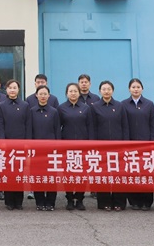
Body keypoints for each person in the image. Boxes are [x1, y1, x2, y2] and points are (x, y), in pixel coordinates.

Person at [91, 80, 129, 211]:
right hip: (101, 147)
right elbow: (92, 127)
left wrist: (125, 144)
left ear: (112, 91)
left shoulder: (120, 106)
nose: (106, 91)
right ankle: (104, 202)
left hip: (118, 146)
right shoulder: (94, 107)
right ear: (99, 91)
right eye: (104, 89)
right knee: (103, 174)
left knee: (119, 174)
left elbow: (125, 126)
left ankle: (119, 202)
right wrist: (94, 145)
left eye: (109, 89)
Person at [121, 78, 154, 211]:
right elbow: (123, 125)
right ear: (129, 89)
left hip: (146, 144)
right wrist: (125, 143)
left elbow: (153, 125)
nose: (136, 89)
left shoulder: (149, 104)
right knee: (131, 172)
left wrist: (153, 143)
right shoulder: (123, 104)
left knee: (146, 172)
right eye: (133, 87)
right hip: (130, 144)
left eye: (138, 87)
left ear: (142, 88)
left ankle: (146, 201)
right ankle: (134, 201)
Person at [0, 79, 31, 210]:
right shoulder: (1, 105)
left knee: (19, 172)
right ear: (6, 89)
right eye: (10, 87)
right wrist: (2, 141)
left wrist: (27, 143)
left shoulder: (25, 105)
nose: (12, 90)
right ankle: (9, 201)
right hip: (7, 144)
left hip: (21, 144)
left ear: (18, 90)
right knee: (8, 173)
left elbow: (28, 125)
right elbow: (0, 124)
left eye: (14, 88)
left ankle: (19, 201)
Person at [58, 82, 93, 211]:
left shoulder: (86, 108)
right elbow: (58, 127)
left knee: (82, 173)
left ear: (79, 93)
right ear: (66, 93)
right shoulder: (61, 108)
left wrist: (90, 144)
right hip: (66, 146)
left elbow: (90, 127)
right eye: (70, 91)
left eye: (75, 91)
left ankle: (79, 199)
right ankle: (69, 198)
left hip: (82, 146)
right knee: (68, 173)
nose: (73, 93)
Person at [25, 74, 59, 200]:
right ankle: (34, 191)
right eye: (38, 82)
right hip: (36, 143)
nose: (43, 96)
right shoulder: (29, 100)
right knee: (36, 169)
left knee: (51, 169)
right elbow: (29, 125)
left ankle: (50, 196)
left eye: (43, 82)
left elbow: (57, 125)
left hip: (50, 143)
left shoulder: (54, 102)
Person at [29, 85, 61, 211]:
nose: (43, 96)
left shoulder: (54, 111)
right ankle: (39, 201)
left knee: (51, 176)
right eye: (40, 94)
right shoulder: (31, 111)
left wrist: (58, 147)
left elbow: (57, 130)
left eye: (45, 94)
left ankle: (51, 202)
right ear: (36, 95)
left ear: (49, 96)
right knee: (37, 175)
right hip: (36, 150)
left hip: (51, 150)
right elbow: (29, 130)